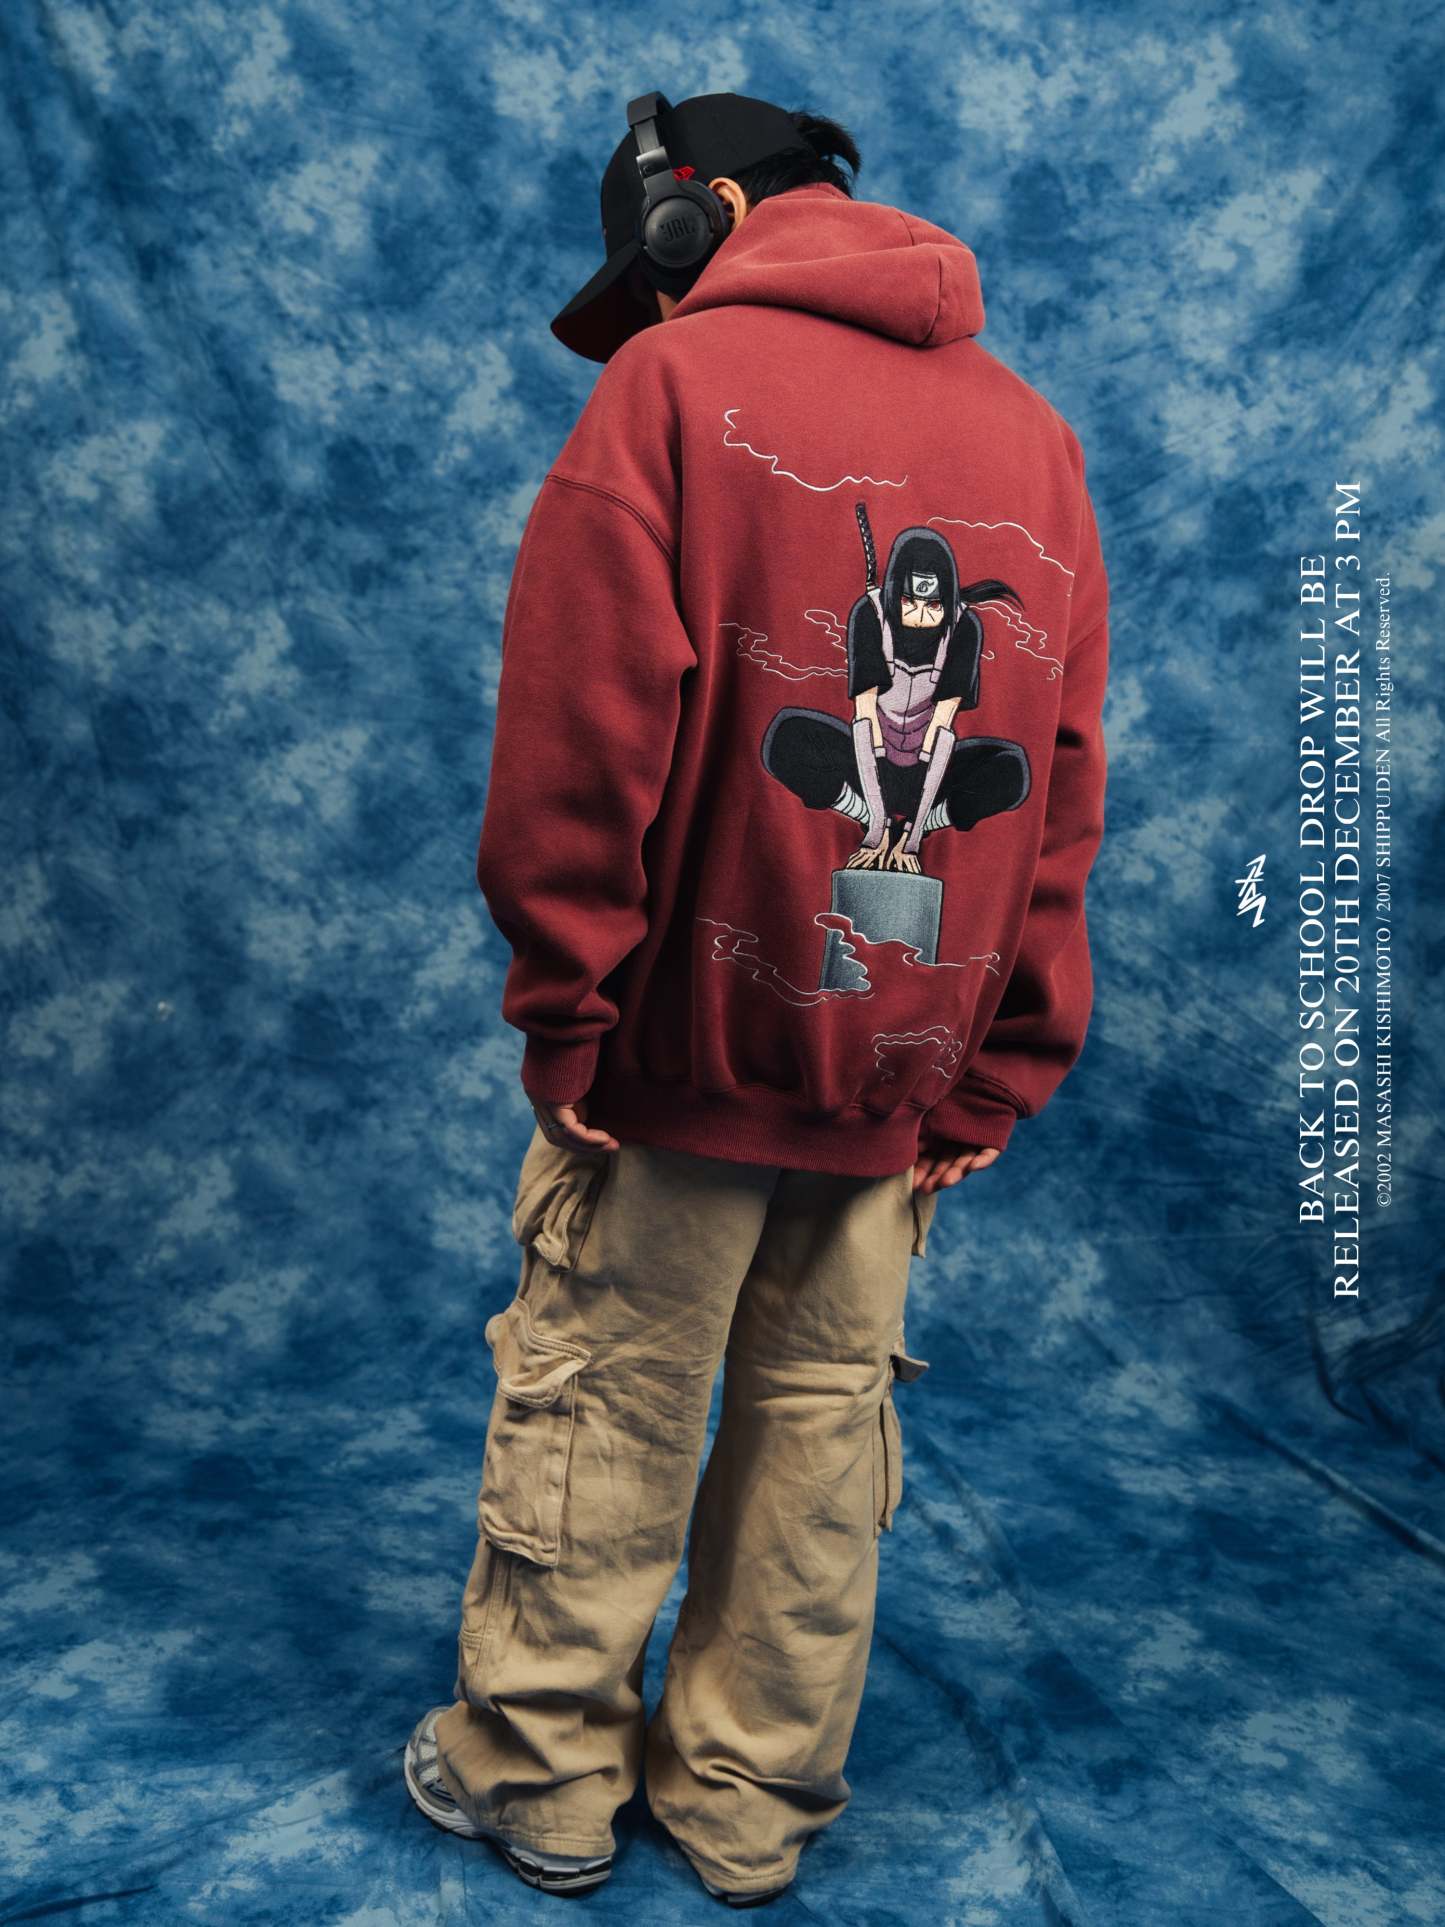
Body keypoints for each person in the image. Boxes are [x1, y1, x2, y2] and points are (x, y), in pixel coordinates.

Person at [403, 90, 1110, 1905]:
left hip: (676, 1061)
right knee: (819, 1425)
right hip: (900, 1070)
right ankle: (746, 1801)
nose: (646, 312)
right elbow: (1058, 783)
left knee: (608, 1401)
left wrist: (571, 1008)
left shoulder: (665, 390)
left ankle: (541, 1778)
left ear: (695, 211)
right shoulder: (1034, 439)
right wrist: (995, 1066)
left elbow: (579, 739)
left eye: (646, 274)